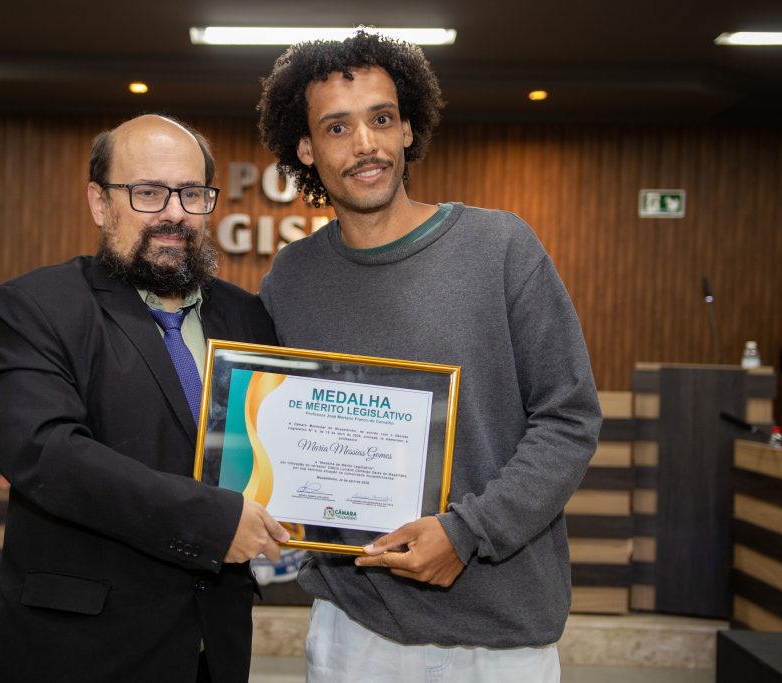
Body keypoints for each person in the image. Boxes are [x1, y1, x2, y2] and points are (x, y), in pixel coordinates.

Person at [256, 31, 602, 682]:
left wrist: (467, 532)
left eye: (382, 119)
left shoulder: (501, 247)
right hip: (355, 627)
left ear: (408, 128)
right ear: (305, 148)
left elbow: (570, 419)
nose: (365, 144)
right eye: (337, 127)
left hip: (500, 639)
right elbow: (276, 426)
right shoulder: (292, 279)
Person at [0, 114, 289, 683]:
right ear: (100, 203)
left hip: (213, 646)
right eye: (148, 192)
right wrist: (212, 521)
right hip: (77, 652)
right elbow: (41, 450)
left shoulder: (248, 317)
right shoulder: (40, 305)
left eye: (191, 193)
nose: (174, 212)